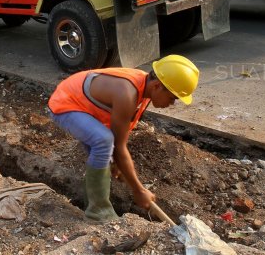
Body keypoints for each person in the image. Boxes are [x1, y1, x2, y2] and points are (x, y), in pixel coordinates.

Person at [47, 55, 199, 221]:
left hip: (87, 109)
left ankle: (94, 204)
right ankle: (98, 213)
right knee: (103, 140)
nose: (171, 104)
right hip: (66, 104)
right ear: (157, 86)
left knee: (105, 147)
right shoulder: (127, 93)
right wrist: (139, 190)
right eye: (172, 98)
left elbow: (120, 136)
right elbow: (119, 146)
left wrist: (114, 161)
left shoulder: (144, 88)